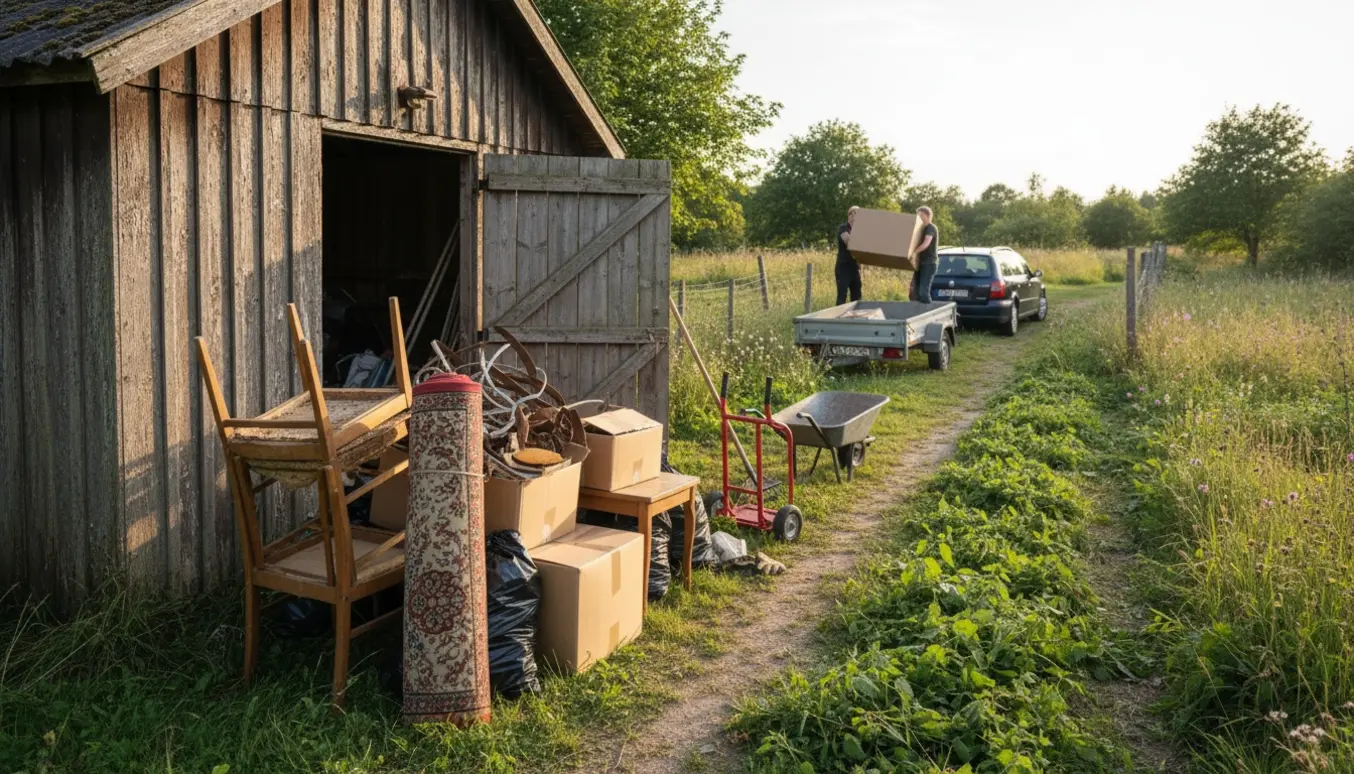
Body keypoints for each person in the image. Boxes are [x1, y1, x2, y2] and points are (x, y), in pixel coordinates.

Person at [909, 206, 940, 303]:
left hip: (929, 263)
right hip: (920, 263)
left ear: (926, 215)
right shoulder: (921, 229)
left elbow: (926, 243)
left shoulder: (931, 228)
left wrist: (914, 252)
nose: (918, 217)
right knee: (915, 292)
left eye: (920, 215)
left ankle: (929, 314)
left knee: (923, 292)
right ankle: (918, 313)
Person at [835, 206, 862, 305]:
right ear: (849, 215)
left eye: (857, 213)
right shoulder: (843, 228)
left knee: (857, 296)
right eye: (852, 213)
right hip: (843, 268)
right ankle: (838, 320)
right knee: (842, 296)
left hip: (854, 268)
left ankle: (856, 319)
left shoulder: (860, 231)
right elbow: (848, 242)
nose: (854, 215)